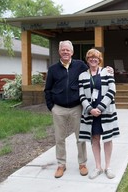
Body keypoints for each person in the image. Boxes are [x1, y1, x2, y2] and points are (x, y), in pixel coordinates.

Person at [44, 40, 89, 178]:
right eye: (63, 49)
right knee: (59, 138)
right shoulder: (53, 69)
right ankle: (61, 165)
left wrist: (107, 70)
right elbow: (47, 89)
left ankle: (82, 163)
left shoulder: (80, 66)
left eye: (67, 50)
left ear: (72, 52)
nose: (65, 52)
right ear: (59, 52)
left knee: (80, 137)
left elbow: (93, 72)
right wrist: (52, 107)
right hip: (59, 108)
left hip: (77, 107)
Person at [78, 48, 120, 180]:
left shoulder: (107, 72)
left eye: (95, 57)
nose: (93, 59)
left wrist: (100, 108)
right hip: (91, 113)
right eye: (90, 57)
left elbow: (112, 91)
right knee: (95, 138)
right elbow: (81, 95)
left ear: (99, 59)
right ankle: (98, 167)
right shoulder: (83, 76)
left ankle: (108, 167)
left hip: (105, 111)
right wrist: (90, 109)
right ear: (87, 60)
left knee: (107, 139)